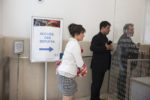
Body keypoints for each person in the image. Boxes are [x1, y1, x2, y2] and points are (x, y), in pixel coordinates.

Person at [57, 23, 87, 100]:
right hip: (67, 75)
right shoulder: (75, 44)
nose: (84, 35)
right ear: (76, 34)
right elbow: (80, 63)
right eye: (82, 33)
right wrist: (83, 68)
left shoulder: (70, 43)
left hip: (64, 74)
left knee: (68, 96)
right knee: (68, 97)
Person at [113, 23, 139, 100]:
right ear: (126, 30)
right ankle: (121, 97)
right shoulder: (124, 38)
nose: (133, 31)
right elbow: (122, 53)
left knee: (122, 82)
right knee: (122, 82)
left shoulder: (127, 38)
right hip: (123, 65)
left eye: (133, 29)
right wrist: (135, 48)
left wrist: (135, 47)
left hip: (125, 65)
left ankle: (121, 96)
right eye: (131, 29)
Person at [90, 21, 112, 100]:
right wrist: (106, 48)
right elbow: (92, 48)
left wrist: (109, 48)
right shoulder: (97, 37)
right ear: (102, 28)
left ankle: (97, 98)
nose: (109, 30)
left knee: (99, 84)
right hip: (97, 66)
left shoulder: (105, 38)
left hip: (102, 66)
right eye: (108, 28)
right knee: (95, 84)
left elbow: (104, 50)